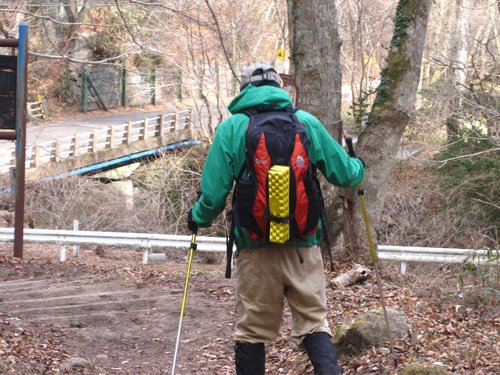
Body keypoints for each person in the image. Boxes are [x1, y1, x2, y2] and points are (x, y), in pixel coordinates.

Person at [187, 63, 364, 375]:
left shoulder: (232, 128)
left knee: (252, 331)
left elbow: (213, 195)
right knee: (314, 324)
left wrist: (197, 217)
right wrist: (358, 165)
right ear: (280, 89)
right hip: (304, 245)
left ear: (244, 90)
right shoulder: (306, 122)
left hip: (255, 249)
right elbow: (345, 175)